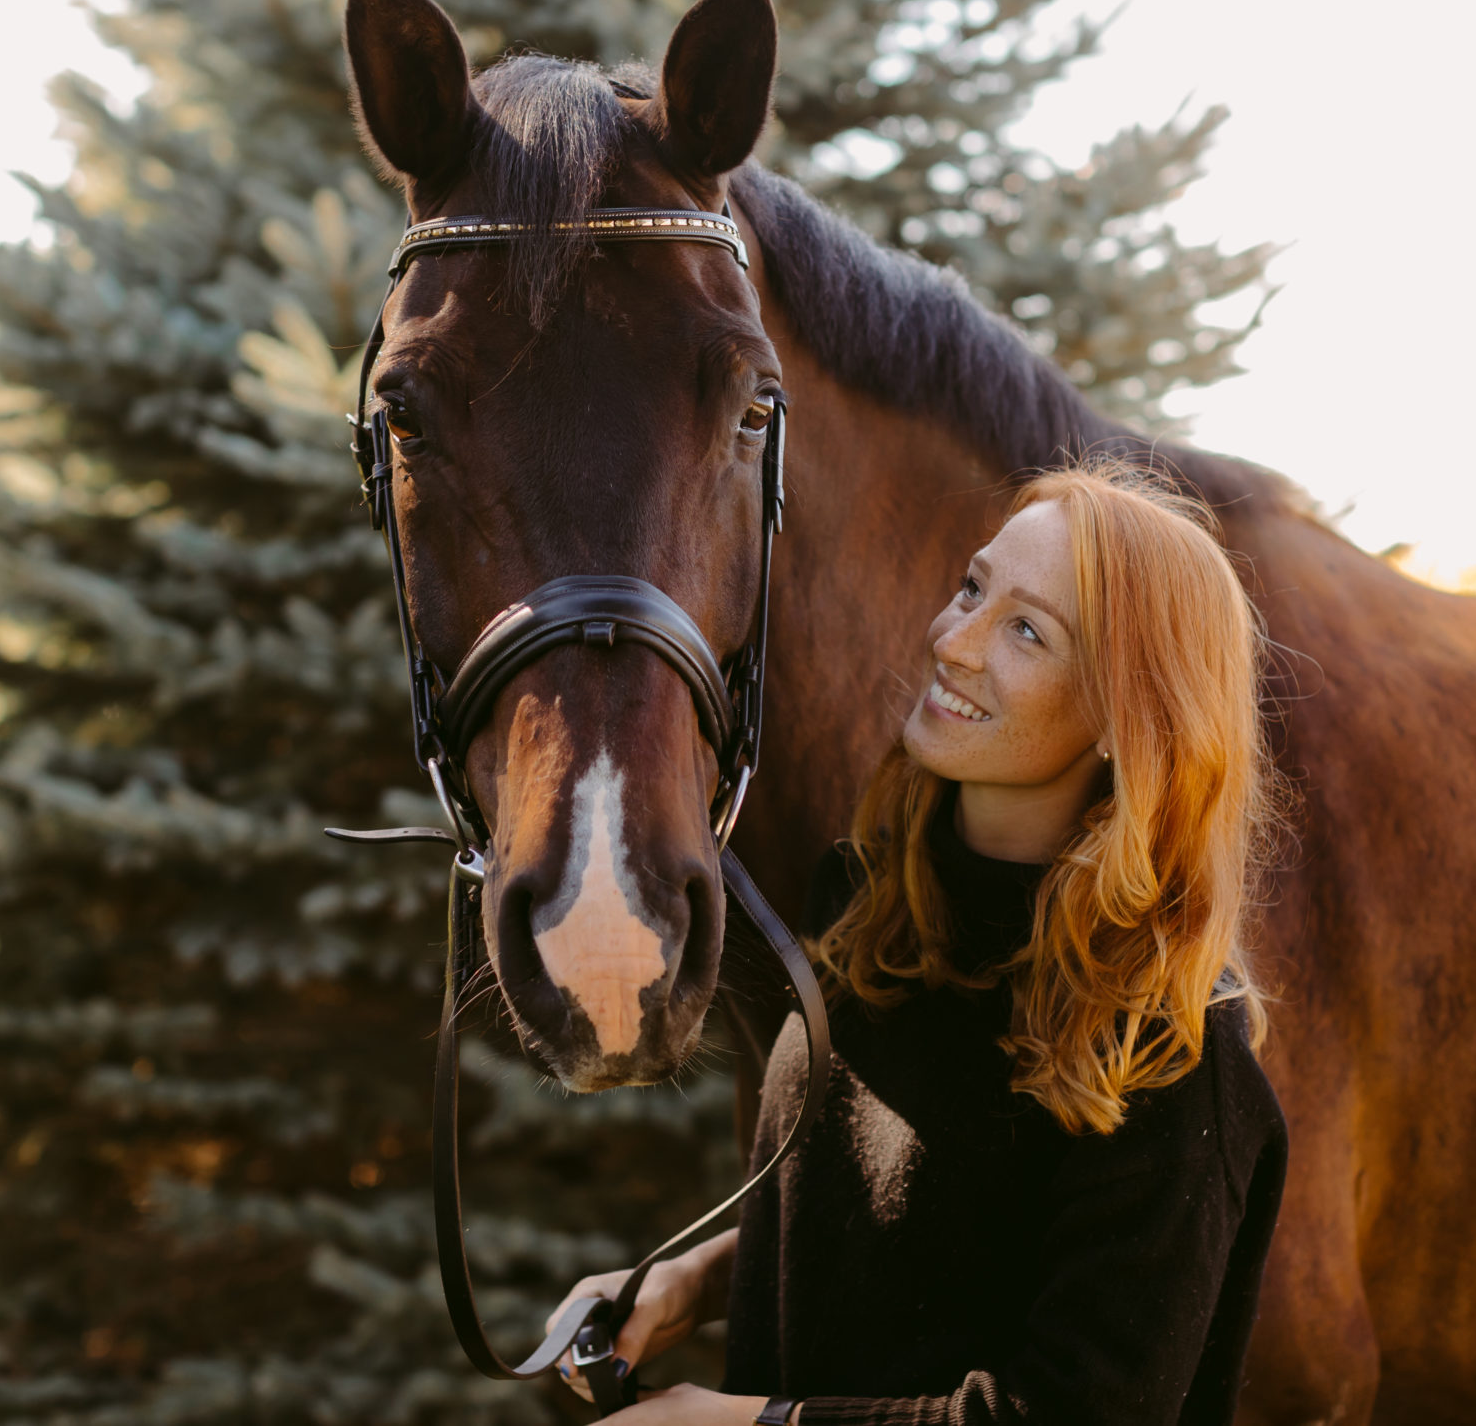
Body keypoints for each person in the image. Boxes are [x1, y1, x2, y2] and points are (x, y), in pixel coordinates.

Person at [548, 458, 1291, 1425]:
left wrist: (752, 1424)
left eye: (1028, 629)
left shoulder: (1172, 1049)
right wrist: (688, 1282)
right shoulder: (869, 902)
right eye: (972, 588)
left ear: (1125, 717)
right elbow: (916, 1239)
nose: (955, 640)